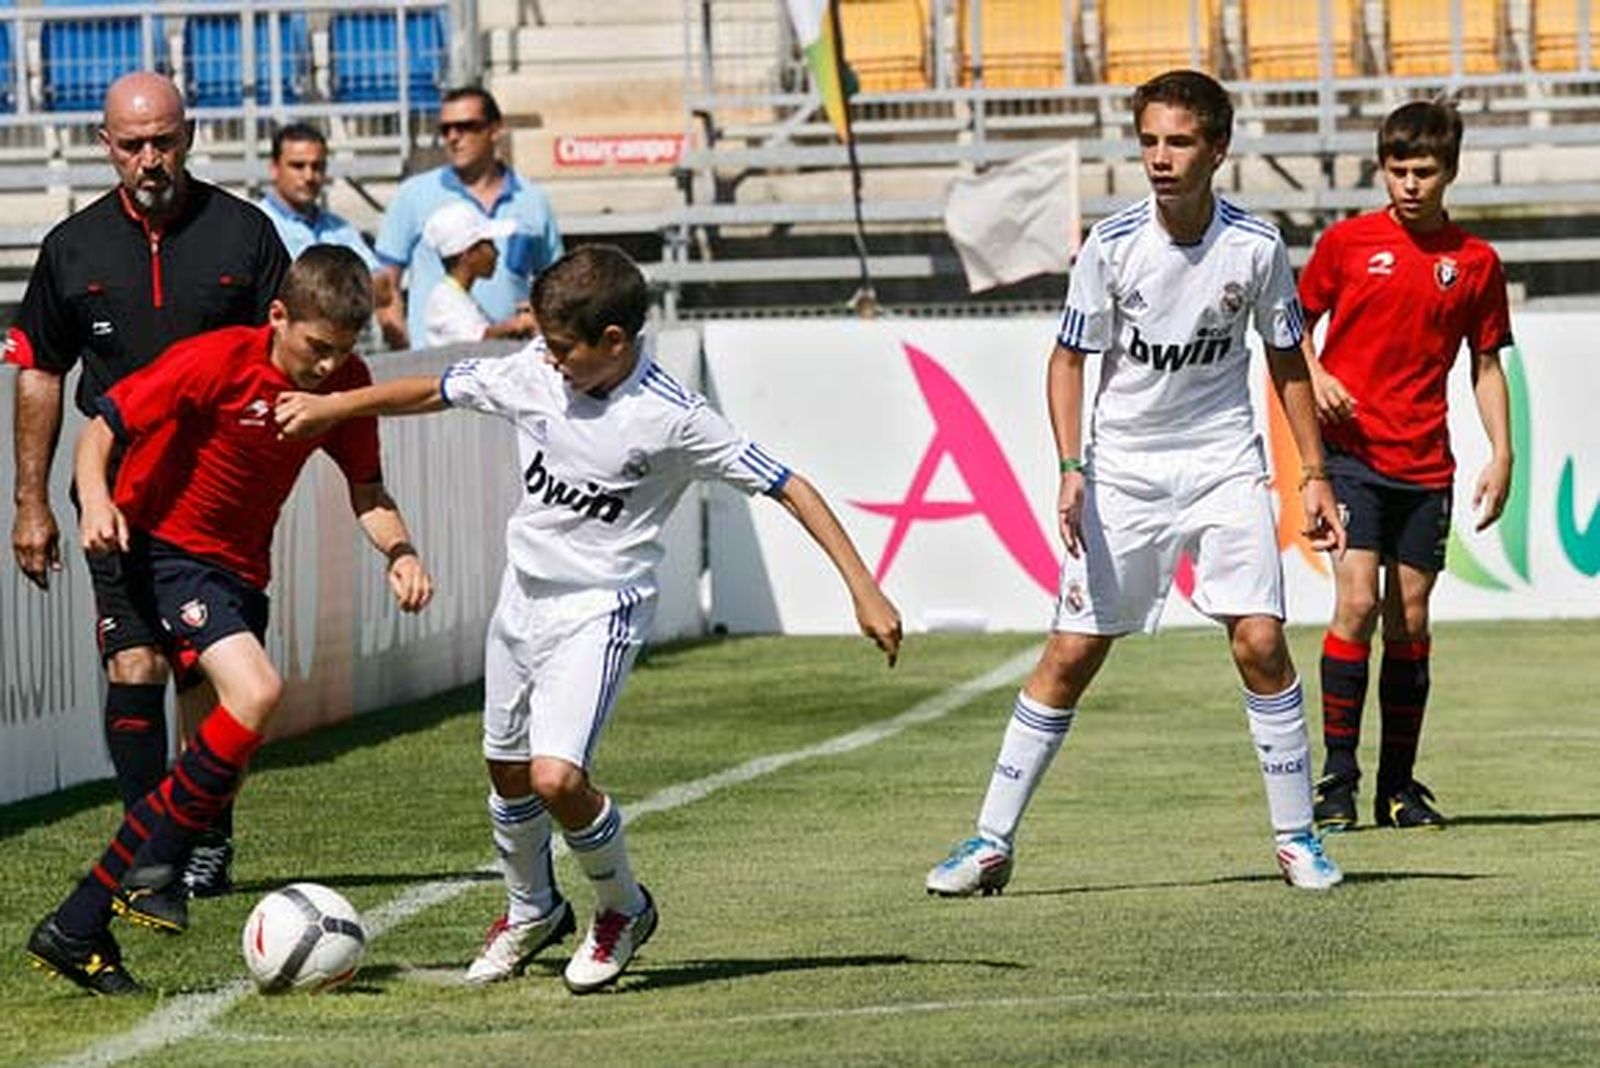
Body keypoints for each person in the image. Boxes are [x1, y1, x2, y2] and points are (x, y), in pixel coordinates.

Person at [274, 244, 902, 994]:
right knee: (508, 772)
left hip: (601, 607)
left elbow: (788, 485)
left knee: (556, 776)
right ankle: (532, 909)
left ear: (614, 342)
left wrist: (863, 586)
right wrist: (334, 405)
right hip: (523, 598)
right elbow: (434, 390)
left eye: (562, 346)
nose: (548, 357)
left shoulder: (673, 417)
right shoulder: (534, 369)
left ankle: (623, 907)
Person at [925, 69, 1348, 898]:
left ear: (1217, 149)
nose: (1159, 158)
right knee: (1073, 651)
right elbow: (1068, 359)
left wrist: (1314, 473)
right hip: (1124, 469)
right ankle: (989, 842)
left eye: (1179, 141)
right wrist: (1072, 466)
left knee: (1260, 641)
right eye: (1149, 140)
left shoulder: (1256, 247)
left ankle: (1298, 838)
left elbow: (1288, 358)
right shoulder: (1113, 247)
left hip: (1224, 457)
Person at [24, 246, 435, 995]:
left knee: (229, 749)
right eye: (315, 349)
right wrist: (96, 497)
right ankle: (158, 861)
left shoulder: (344, 385)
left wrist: (400, 552)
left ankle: (80, 923)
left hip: (241, 572)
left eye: (341, 353)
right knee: (254, 692)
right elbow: (100, 430)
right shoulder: (217, 360)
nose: (325, 367)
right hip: (158, 547)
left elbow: (368, 489)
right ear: (278, 317)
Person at [5, 71, 291, 899]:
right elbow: (41, 373)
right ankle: (149, 848)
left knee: (206, 676)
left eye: (163, 140)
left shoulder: (245, 234)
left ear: (189, 135)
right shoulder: (73, 246)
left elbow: (288, 353)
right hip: (115, 495)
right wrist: (30, 499)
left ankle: (209, 834)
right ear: (105, 145)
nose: (149, 159)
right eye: (132, 144)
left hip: (216, 499)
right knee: (134, 663)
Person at [1301, 101, 1513, 833]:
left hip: (1426, 462)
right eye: (1397, 170)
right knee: (1356, 603)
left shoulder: (1476, 261)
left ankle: (1397, 787)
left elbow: (1486, 364)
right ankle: (1336, 778)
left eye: (1424, 171)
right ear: (1381, 168)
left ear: (1450, 171)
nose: (1410, 184)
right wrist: (1315, 373)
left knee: (1411, 616)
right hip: (1353, 456)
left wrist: (1503, 451)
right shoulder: (1346, 244)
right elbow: (1287, 327)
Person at [374, 86, 559, 350]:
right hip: (434, 369)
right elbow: (385, 286)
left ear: (495, 130)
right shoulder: (412, 195)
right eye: (445, 129)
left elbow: (554, 284)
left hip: (512, 366)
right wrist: (405, 352)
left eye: (465, 126)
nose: (453, 137)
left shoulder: (532, 200)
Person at [257, 122, 406, 348]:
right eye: (298, 166)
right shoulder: (258, 225)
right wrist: (349, 287)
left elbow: (383, 287)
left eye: (317, 166)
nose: (309, 176)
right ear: (275, 168)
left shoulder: (340, 228)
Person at [419, 200, 538, 346]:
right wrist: (518, 324)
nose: (497, 253)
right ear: (468, 254)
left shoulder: (459, 297)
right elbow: (475, 343)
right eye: (489, 244)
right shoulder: (444, 301)